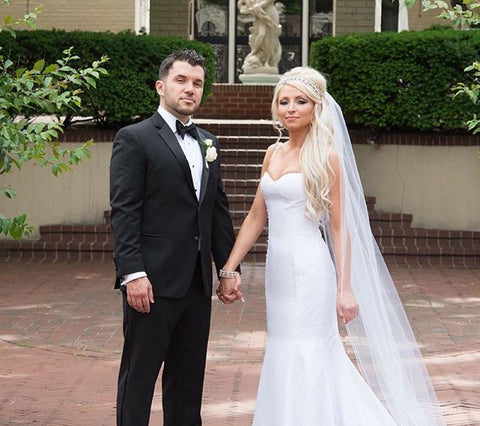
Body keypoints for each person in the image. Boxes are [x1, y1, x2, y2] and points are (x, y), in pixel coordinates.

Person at [218, 66, 446, 425]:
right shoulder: (271, 153)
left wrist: (345, 288)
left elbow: (340, 228)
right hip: (279, 275)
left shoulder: (327, 158)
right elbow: (255, 218)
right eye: (284, 101)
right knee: (282, 348)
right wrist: (229, 269)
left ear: (315, 108)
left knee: (310, 349)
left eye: (300, 101)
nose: (290, 108)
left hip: (311, 272)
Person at [110, 49, 241, 426]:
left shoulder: (208, 142)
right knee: (139, 378)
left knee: (187, 384)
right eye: (182, 80)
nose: (190, 89)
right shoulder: (133, 138)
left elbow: (216, 212)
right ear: (161, 86)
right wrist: (133, 273)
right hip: (151, 282)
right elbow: (125, 210)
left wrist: (228, 270)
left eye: (197, 83)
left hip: (196, 285)